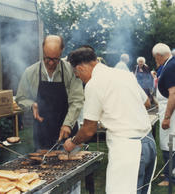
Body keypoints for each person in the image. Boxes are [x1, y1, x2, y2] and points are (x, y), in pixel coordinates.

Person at [64, 47, 156, 194]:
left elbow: (88, 130)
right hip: (149, 143)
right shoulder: (124, 74)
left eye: (77, 75)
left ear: (80, 68)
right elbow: (146, 103)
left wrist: (73, 142)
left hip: (128, 149)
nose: (79, 79)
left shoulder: (93, 84)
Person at [16, 35, 84, 150]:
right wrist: (31, 105)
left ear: (61, 52)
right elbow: (21, 98)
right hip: (42, 132)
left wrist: (68, 124)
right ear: (43, 50)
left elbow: (77, 100)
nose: (51, 63)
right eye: (48, 58)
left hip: (68, 130)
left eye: (55, 59)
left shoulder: (71, 72)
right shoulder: (30, 72)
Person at [152, 43, 175, 186]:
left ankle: (170, 178)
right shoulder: (169, 64)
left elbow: (173, 93)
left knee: (169, 143)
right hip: (167, 109)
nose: (156, 61)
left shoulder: (171, 66)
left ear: (159, 56)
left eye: (155, 58)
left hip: (171, 112)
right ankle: (168, 171)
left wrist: (167, 117)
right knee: (167, 142)